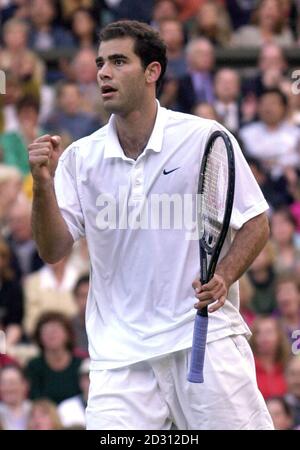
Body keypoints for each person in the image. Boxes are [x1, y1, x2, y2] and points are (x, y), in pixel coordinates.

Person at [28, 20, 273, 430]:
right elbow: (52, 249)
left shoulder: (204, 138)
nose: (103, 72)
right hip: (119, 359)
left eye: (119, 61)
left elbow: (256, 222)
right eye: (100, 62)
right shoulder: (79, 159)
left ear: (152, 72)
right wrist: (41, 187)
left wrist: (225, 275)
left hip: (202, 340)